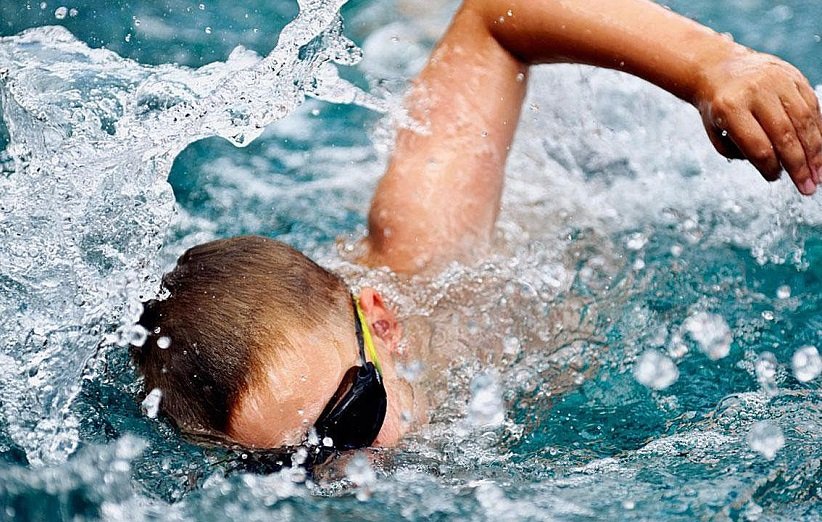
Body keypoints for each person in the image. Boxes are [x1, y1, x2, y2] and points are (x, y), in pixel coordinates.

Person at [132, 0, 822, 455]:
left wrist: (712, 67)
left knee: (413, 31)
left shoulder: (425, 250)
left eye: (350, 420)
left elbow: (497, 16)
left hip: (571, 161)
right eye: (287, 467)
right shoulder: (346, 383)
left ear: (384, 324)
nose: (349, 472)